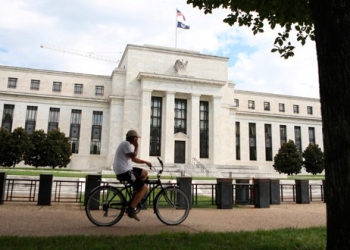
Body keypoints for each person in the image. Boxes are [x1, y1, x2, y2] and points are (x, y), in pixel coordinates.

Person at [113, 130, 152, 221]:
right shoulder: (126, 144)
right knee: (145, 188)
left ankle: (137, 192)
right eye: (136, 138)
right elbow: (134, 158)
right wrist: (145, 161)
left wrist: (136, 147)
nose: (137, 140)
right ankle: (131, 209)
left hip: (127, 169)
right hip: (125, 172)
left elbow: (133, 157)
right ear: (133, 138)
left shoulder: (126, 145)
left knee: (145, 173)